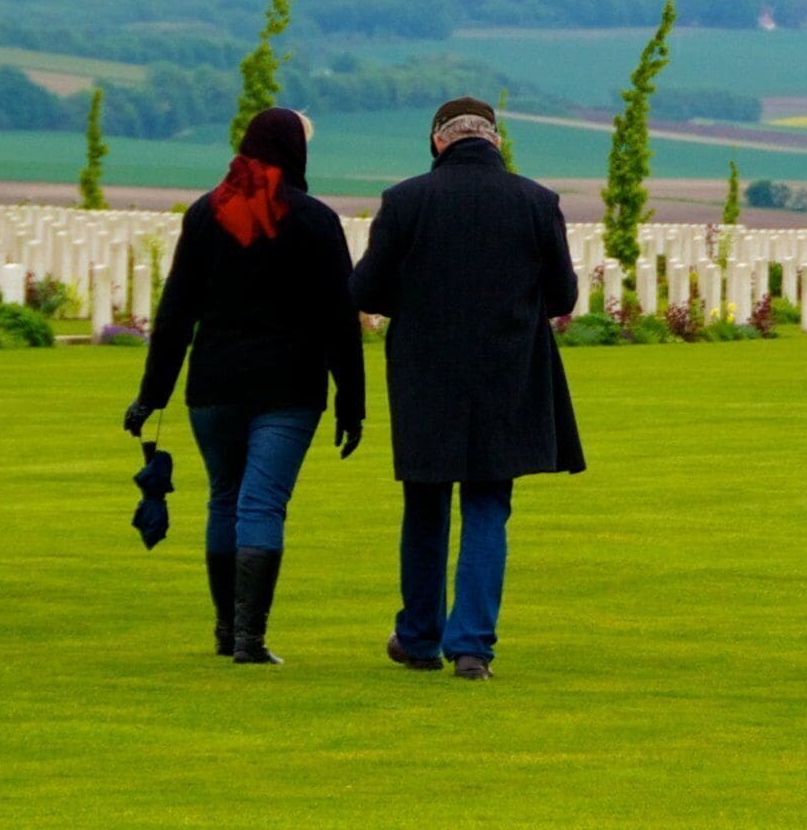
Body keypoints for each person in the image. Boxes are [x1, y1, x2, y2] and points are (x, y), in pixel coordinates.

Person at [348, 98, 583, 680]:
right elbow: (561, 295)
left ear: (437, 142)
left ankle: (419, 638)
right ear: (496, 141)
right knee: (487, 506)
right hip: (507, 373)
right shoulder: (536, 201)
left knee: (425, 504)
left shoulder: (405, 201)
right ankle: (473, 645)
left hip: (426, 374)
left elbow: (367, 289)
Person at [126, 107, 364, 668]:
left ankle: (226, 627)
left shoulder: (206, 215)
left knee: (225, 499)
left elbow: (176, 312)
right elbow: (338, 321)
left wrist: (152, 394)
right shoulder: (315, 220)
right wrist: (352, 404)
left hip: (214, 384)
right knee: (262, 504)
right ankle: (249, 641)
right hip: (289, 386)